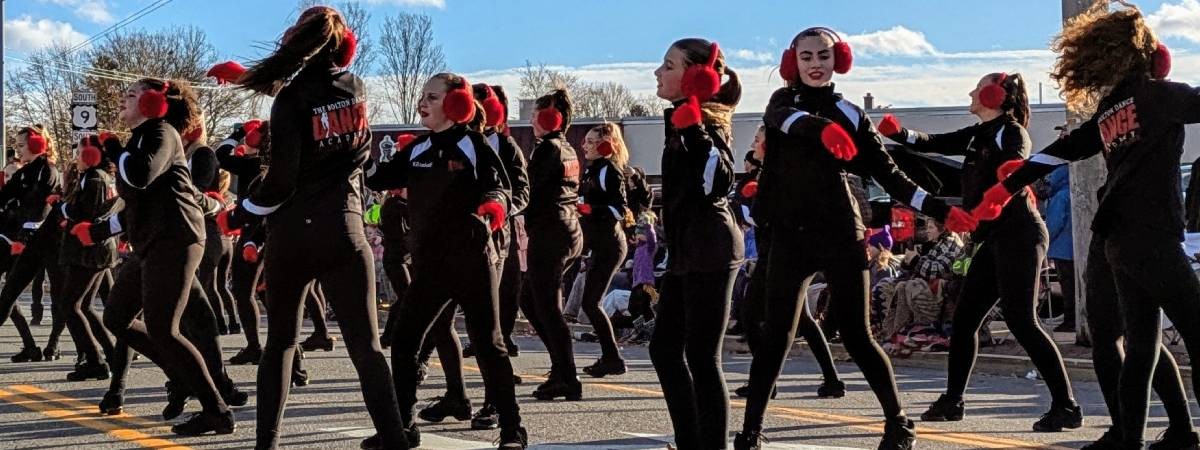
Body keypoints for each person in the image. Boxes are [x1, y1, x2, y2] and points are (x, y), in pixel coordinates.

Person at [734, 27, 979, 450]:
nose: (815, 64)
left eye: (824, 56)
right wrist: (820, 131)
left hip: (840, 232)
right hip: (790, 236)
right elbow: (786, 121)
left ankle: (899, 423)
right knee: (776, 334)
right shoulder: (782, 103)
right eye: (807, 56)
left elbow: (890, 174)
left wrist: (939, 208)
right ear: (794, 62)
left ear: (838, 60)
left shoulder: (850, 113)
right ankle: (751, 432)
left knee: (857, 335)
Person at [972, 2, 1200, 448]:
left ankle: (1141, 439)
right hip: (1152, 236)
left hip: (1118, 240)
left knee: (1141, 348)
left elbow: (1065, 148)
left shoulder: (1114, 107)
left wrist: (1008, 185)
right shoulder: (1159, 95)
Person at [231, 6, 406, 448]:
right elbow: (320, 102)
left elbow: (281, 181)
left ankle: (266, 443)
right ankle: (393, 438)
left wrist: (243, 210)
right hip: (345, 229)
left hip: (293, 233)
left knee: (282, 345)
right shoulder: (357, 87)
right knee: (366, 347)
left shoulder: (290, 99)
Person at [877, 71, 1082, 431]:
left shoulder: (1011, 131)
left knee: (1021, 321)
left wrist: (1009, 173)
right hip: (994, 238)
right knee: (964, 319)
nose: (971, 92)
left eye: (978, 87)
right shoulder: (978, 134)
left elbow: (1019, 161)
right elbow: (933, 141)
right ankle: (953, 401)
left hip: (1020, 234)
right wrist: (899, 134)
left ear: (993, 94)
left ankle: (1066, 405)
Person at [364, 72, 528, 449]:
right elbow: (379, 178)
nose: (423, 102)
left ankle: (512, 430)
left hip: (472, 261)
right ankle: (403, 427)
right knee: (404, 341)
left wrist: (492, 210)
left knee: (489, 345)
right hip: (431, 265)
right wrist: (359, 147)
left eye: (432, 97)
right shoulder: (418, 149)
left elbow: (501, 188)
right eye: (423, 95)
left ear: (456, 105)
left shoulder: (474, 145)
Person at [82, 78, 234, 436]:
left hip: (176, 239)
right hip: (151, 242)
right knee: (118, 316)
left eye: (132, 94)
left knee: (165, 328)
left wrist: (115, 149)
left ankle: (217, 410)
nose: (123, 99)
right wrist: (99, 230)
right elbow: (136, 202)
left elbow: (139, 175)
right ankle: (181, 376)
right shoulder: (141, 138)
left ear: (153, 102)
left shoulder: (161, 133)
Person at [651, 37, 744, 449]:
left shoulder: (708, 124)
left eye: (668, 65)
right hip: (686, 253)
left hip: (713, 250)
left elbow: (719, 183)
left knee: (702, 357)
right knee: (663, 349)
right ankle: (691, 441)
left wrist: (694, 131)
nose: (658, 72)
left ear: (696, 76)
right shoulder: (680, 119)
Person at [522, 89, 587, 401]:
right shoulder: (567, 148)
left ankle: (566, 374)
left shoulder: (547, 149)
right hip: (567, 228)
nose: (533, 120)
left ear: (550, 117)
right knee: (532, 299)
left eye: (537, 113)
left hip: (551, 231)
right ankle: (561, 367)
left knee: (547, 307)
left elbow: (528, 191)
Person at [0, 125, 64, 363]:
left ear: (37, 144)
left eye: (21, 144)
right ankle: (32, 347)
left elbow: (39, 210)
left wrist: (21, 239)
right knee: (8, 295)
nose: (17, 149)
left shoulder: (48, 171)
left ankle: (58, 345)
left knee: (63, 298)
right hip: (26, 246)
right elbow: (5, 195)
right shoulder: (25, 172)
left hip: (49, 244)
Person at [57, 136, 119, 381]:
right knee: (83, 306)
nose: (77, 158)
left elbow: (84, 212)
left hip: (89, 250)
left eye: (81, 152)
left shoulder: (95, 179)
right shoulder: (100, 178)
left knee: (70, 305)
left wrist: (62, 207)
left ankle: (95, 360)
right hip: (96, 249)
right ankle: (111, 355)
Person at [576, 122, 633, 377]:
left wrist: (591, 210)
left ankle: (613, 358)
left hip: (611, 245)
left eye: (590, 141)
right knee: (589, 303)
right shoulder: (592, 171)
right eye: (586, 141)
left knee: (591, 302)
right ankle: (611, 357)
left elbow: (620, 209)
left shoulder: (610, 171)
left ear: (605, 145)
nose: (584, 145)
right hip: (598, 244)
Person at [1044, 166, 1076, 333]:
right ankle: (1075, 317)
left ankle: (1070, 319)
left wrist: (1046, 240)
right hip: (1075, 248)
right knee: (1076, 285)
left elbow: (1054, 223)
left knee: (1067, 285)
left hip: (1062, 248)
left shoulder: (1060, 196)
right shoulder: (1075, 192)